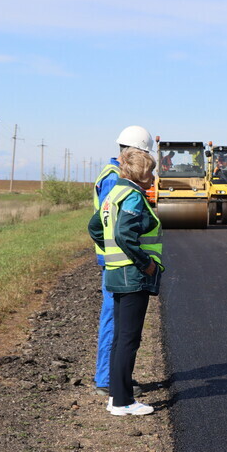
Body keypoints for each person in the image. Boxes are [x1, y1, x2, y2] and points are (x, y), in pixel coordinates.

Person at [89, 147, 164, 416]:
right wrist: (146, 264)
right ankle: (123, 402)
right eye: (151, 171)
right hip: (132, 276)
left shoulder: (114, 194)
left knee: (121, 337)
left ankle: (116, 397)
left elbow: (95, 227)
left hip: (114, 272)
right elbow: (124, 233)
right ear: (140, 173)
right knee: (129, 339)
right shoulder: (132, 196)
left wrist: (110, 253)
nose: (154, 177)